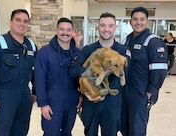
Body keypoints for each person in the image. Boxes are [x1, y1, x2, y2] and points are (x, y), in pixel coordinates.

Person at [0, 9, 36, 136]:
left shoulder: (31, 46)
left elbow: (36, 72)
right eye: (18, 20)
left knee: (21, 130)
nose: (22, 24)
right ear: (11, 22)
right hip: (3, 96)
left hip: (24, 95)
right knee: (0, 131)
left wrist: (35, 92)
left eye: (25, 21)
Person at [70, 12, 130, 136]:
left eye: (110, 26)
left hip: (112, 102)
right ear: (98, 27)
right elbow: (74, 70)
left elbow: (126, 76)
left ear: (115, 28)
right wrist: (87, 87)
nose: (106, 29)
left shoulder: (122, 51)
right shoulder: (88, 50)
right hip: (91, 100)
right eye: (103, 25)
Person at [120, 7, 168, 136]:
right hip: (125, 92)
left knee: (137, 129)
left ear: (147, 22)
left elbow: (160, 71)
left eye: (142, 19)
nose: (138, 22)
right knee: (124, 127)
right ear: (130, 22)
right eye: (135, 19)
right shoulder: (127, 40)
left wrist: (150, 92)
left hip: (141, 94)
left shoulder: (153, 42)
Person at [34, 17, 81, 136]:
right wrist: (43, 104)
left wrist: (80, 96)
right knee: (51, 132)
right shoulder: (44, 52)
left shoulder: (77, 53)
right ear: (56, 30)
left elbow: (82, 78)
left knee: (67, 132)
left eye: (68, 30)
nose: (65, 33)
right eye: (62, 29)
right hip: (52, 99)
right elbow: (39, 80)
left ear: (72, 32)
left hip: (72, 99)